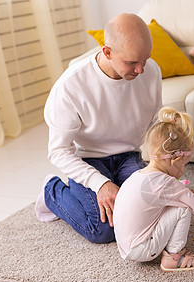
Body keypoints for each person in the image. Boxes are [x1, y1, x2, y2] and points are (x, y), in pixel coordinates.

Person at [34, 13, 162, 244]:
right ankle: (52, 191)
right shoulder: (71, 86)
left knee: (152, 213)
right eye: (132, 62)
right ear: (107, 52)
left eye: (145, 59)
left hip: (130, 157)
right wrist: (100, 183)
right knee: (103, 230)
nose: (142, 69)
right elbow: (59, 151)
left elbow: (155, 123)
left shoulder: (151, 70)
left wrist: (163, 156)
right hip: (89, 160)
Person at [113, 107, 194, 272]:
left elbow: (166, 196)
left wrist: (185, 193)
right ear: (176, 159)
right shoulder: (164, 182)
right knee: (182, 209)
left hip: (126, 247)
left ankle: (165, 250)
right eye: (184, 164)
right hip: (142, 249)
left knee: (176, 202)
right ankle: (174, 257)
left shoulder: (138, 176)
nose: (183, 170)